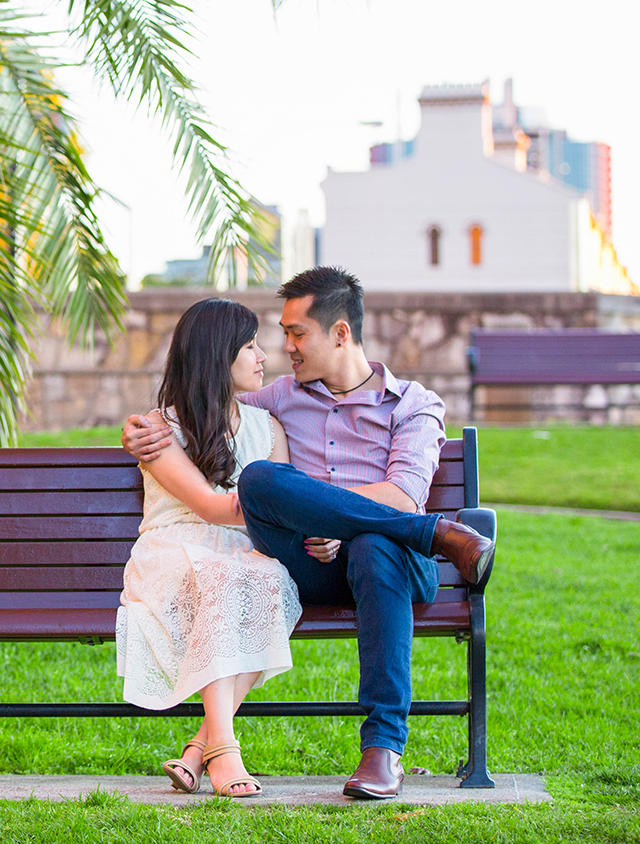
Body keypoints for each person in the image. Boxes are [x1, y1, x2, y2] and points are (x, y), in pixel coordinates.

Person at [123, 267, 494, 800]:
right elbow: (206, 404)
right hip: (307, 565)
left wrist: (334, 521)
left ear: (340, 333)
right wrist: (140, 426)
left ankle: (383, 748)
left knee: (375, 544)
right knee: (259, 478)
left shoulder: (413, 405)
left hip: (389, 566)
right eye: (280, 333)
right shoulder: (277, 399)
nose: (284, 347)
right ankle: (440, 536)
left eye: (297, 334)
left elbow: (403, 498)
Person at [115, 298, 342, 797]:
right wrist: (288, 503)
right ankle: (225, 748)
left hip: (245, 553)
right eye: (249, 345)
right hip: (174, 552)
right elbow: (210, 507)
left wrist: (314, 523)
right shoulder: (162, 429)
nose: (263, 355)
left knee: (269, 579)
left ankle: (200, 749)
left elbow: (283, 506)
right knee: (224, 576)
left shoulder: (268, 428)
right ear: (218, 356)